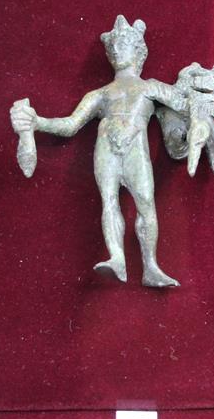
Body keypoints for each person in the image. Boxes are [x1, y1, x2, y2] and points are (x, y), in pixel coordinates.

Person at [10, 15, 187, 287]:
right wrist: (37, 122)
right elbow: (71, 125)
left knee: (146, 203)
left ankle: (150, 266)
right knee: (109, 200)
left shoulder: (150, 87)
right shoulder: (100, 95)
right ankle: (117, 257)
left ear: (138, 50)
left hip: (135, 147)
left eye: (124, 44)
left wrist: (191, 122)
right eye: (114, 46)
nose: (118, 50)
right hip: (107, 147)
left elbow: (184, 104)